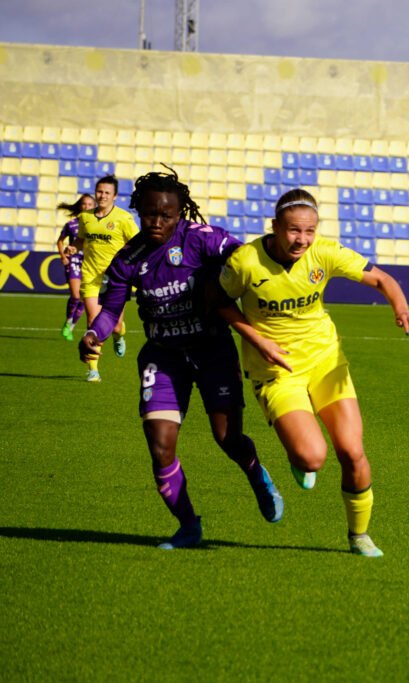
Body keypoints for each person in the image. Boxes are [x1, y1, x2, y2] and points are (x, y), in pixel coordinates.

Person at [78, 168, 283, 549]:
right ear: (138, 209)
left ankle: (256, 474)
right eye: (150, 214)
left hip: (212, 350)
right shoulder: (128, 258)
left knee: (227, 437)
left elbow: (245, 258)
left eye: (166, 215)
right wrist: (93, 334)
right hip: (163, 356)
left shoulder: (202, 239)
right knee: (160, 446)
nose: (157, 222)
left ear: (179, 213)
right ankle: (189, 525)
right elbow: (110, 311)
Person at [217, 188, 409, 557]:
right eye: (294, 230)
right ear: (275, 226)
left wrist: (401, 308)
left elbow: (382, 280)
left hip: (326, 362)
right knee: (312, 457)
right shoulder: (246, 261)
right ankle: (300, 457)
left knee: (352, 451)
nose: (302, 239)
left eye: (309, 231)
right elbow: (216, 300)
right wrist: (256, 338)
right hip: (276, 370)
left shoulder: (324, 252)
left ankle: (358, 535)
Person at [74, 175, 139, 381]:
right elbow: (79, 241)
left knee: (115, 325)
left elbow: (138, 243)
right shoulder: (85, 217)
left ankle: (120, 334)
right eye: (99, 191)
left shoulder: (123, 219)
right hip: (91, 276)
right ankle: (93, 369)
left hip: (116, 278)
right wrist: (71, 248)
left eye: (107, 193)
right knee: (93, 321)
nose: (102, 196)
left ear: (115, 196)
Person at [55, 193, 95, 340]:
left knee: (86, 298)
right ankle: (68, 322)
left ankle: (70, 326)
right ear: (80, 206)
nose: (86, 207)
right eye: (84, 204)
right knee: (76, 295)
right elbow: (60, 241)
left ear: (94, 207)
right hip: (74, 260)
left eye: (90, 205)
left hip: (90, 263)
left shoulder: (96, 225)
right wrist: (63, 256)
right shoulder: (71, 224)